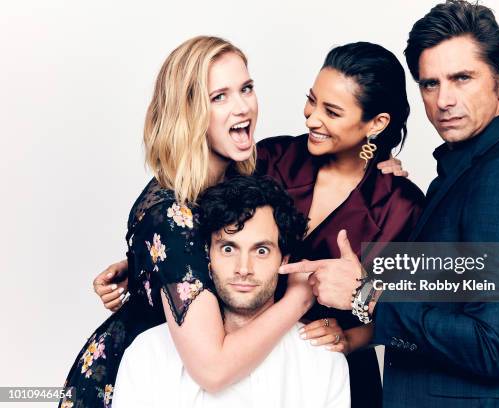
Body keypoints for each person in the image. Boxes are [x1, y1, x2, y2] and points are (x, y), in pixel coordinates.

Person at [95, 41, 424, 407]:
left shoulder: (400, 206)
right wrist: (143, 264)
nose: (312, 118)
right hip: (227, 353)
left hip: (320, 365)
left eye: (331, 111)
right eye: (311, 100)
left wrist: (353, 338)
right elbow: (200, 222)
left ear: (376, 123)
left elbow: (415, 314)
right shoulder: (271, 158)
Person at [282, 1, 499, 407]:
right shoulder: (465, 172)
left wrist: (366, 294)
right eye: (430, 83)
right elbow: (445, 296)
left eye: (462, 78)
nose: (444, 99)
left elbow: (494, 346)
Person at [59, 36, 314, 408]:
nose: (243, 107)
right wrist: (299, 299)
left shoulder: (236, 177)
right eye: (219, 97)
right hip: (134, 387)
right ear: (188, 112)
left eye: (246, 88)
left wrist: (378, 163)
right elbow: (212, 369)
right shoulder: (170, 215)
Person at [112, 175, 350, 408]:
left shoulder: (322, 359)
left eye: (261, 251)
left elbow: (383, 298)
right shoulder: (148, 354)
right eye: (228, 249)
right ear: (206, 256)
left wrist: (365, 295)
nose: (243, 269)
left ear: (284, 258)